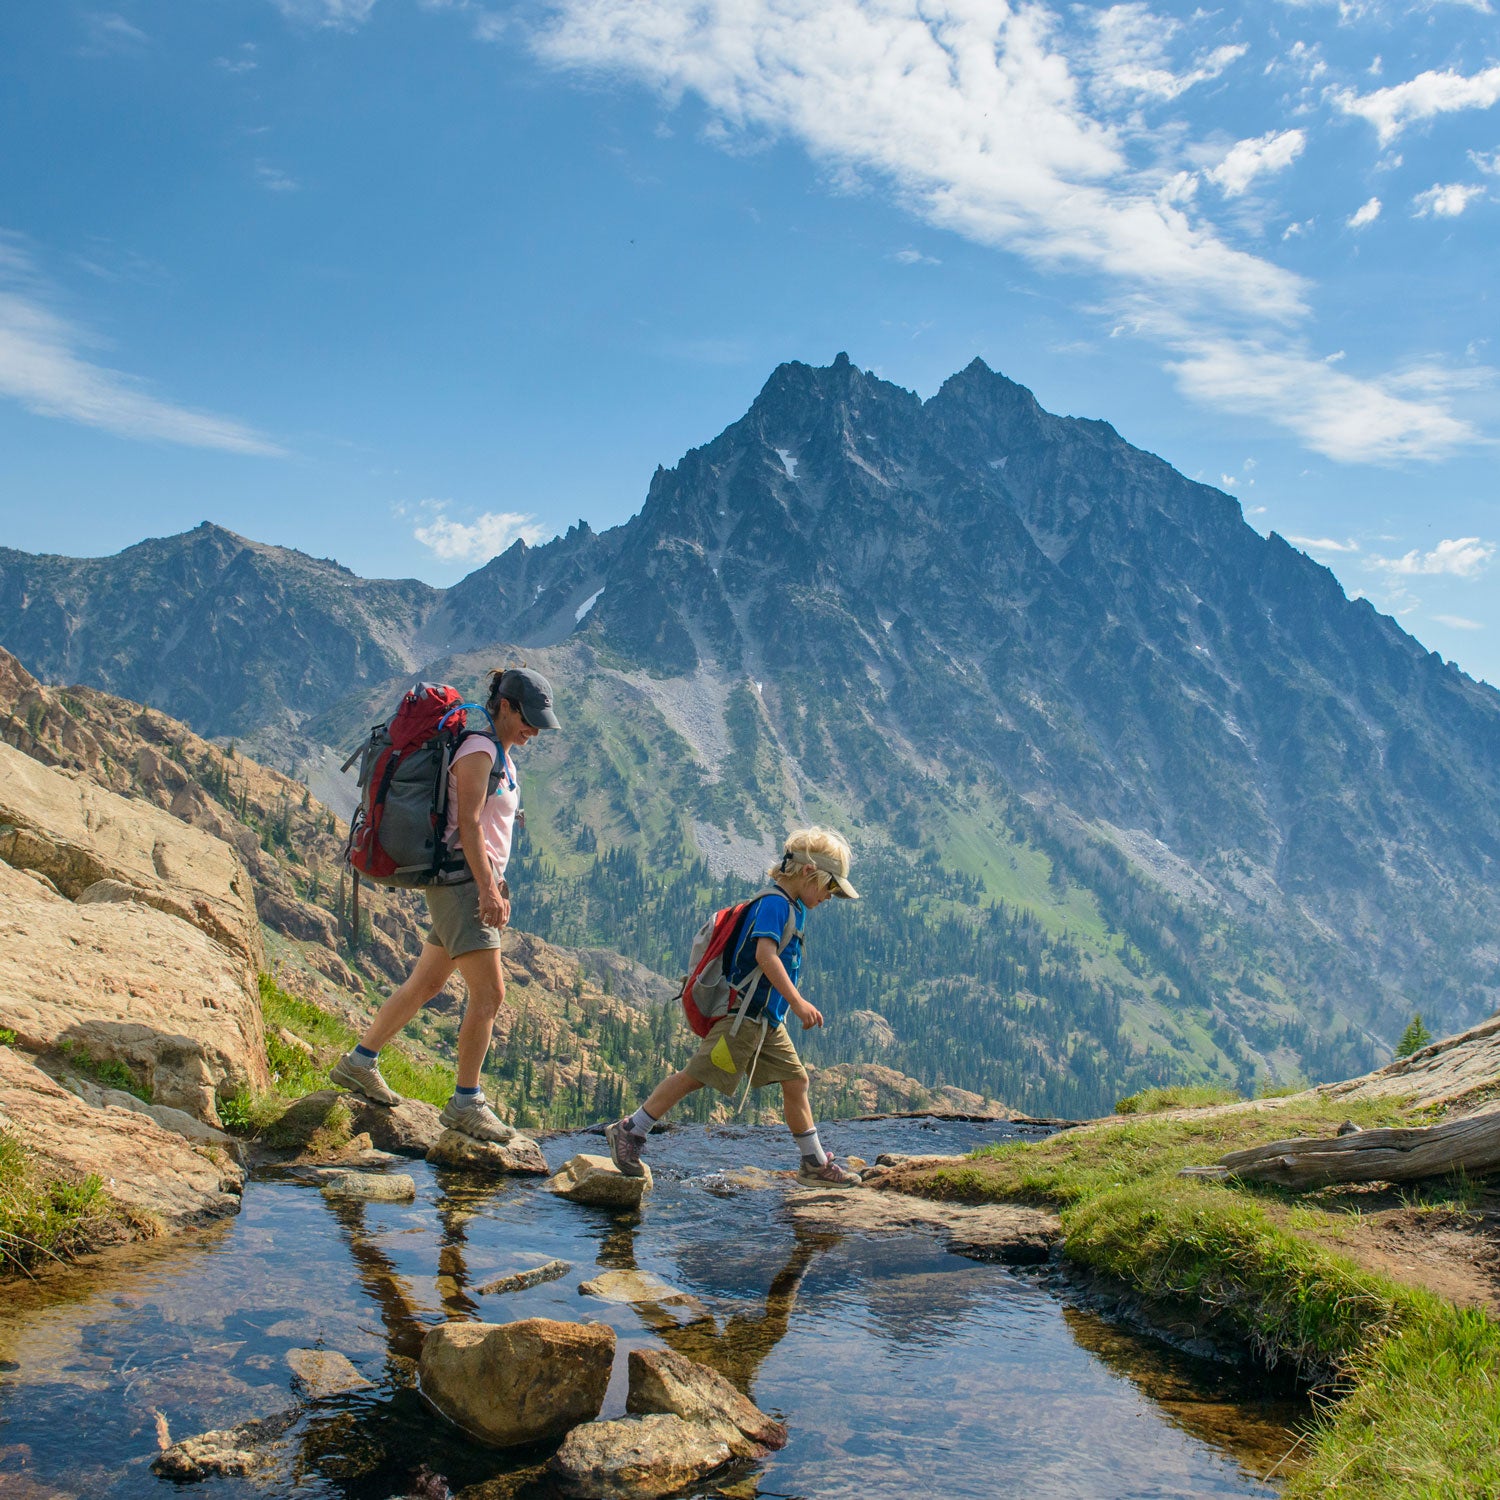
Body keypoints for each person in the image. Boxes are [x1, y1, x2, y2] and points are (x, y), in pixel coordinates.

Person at [330, 666, 559, 1142]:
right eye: (528, 718)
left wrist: (494, 882)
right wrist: (489, 890)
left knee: (427, 981)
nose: (534, 730)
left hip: (467, 881)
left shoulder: (498, 749)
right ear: (505, 705)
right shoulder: (478, 748)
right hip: (462, 883)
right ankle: (466, 1102)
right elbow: (470, 826)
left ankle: (358, 1062)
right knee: (490, 996)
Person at [606, 826, 863, 1187]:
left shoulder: (793, 906)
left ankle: (814, 1163)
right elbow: (765, 956)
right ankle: (631, 1130)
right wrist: (798, 1002)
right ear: (808, 872)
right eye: (830, 886)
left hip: (764, 1023)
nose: (831, 896)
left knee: (796, 1081)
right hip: (742, 1020)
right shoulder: (773, 904)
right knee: (695, 1076)